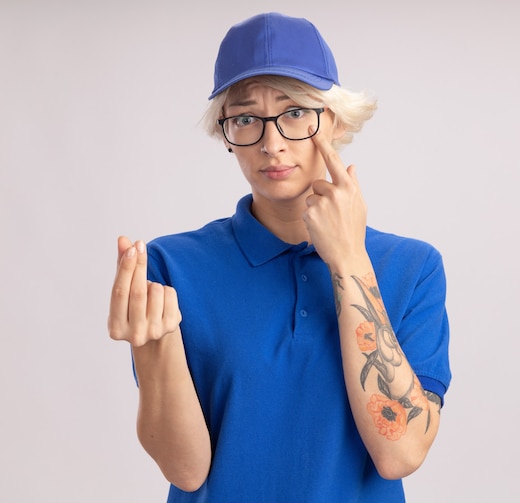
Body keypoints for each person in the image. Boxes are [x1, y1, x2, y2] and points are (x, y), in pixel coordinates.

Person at [108, 12, 451, 503]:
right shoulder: (170, 266)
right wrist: (154, 344)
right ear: (226, 135)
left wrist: (349, 259)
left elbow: (400, 454)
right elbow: (185, 470)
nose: (272, 144)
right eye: (246, 118)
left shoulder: (413, 268)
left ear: (332, 121)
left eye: (294, 113)